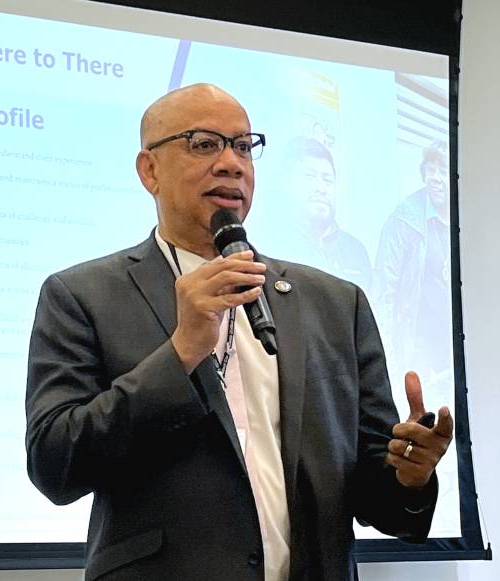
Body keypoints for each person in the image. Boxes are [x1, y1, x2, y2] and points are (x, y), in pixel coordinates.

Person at [25, 84, 452, 581]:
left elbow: (378, 495)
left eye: (244, 146)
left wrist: (410, 475)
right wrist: (181, 352)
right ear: (149, 170)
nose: (231, 163)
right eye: (204, 144)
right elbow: (56, 464)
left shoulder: (336, 304)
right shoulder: (82, 295)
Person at [374, 141, 452, 390]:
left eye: (443, 170)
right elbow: (383, 295)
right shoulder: (403, 221)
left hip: (453, 348)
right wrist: (391, 365)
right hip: (417, 348)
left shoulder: (464, 216)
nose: (436, 178)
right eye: (431, 170)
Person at [273, 137, 372, 291]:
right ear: (287, 183)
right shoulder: (273, 244)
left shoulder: (356, 251)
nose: (321, 188)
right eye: (309, 177)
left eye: (327, 180)